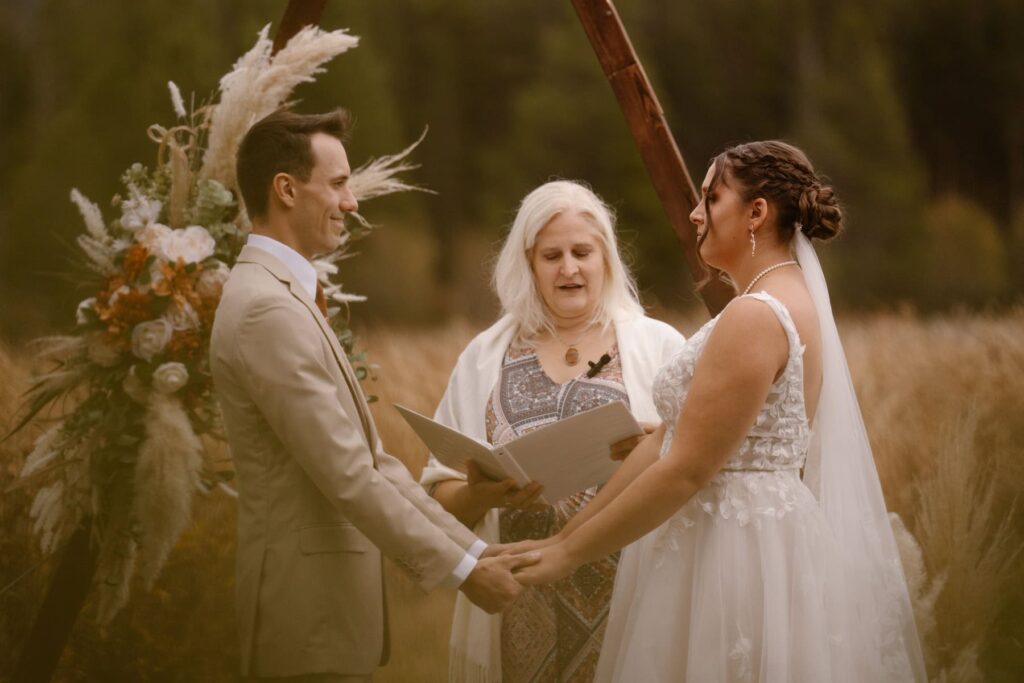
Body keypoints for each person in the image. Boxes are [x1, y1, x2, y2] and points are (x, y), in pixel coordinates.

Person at [509, 142, 927, 681]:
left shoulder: (754, 315)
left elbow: (686, 469)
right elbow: (673, 441)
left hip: (733, 555)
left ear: (757, 212)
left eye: (712, 197)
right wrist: (561, 540)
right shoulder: (782, 298)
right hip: (761, 539)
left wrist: (568, 558)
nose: (695, 212)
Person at [210, 108, 537, 683]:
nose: (351, 201)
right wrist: (464, 570)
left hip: (325, 619)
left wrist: (473, 549)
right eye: (337, 184)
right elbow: (348, 476)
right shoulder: (266, 307)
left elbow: (374, 463)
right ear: (285, 189)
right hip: (306, 618)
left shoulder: (282, 294)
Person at [419, 180, 686, 682]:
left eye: (582, 252)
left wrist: (658, 442)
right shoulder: (484, 358)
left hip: (631, 594)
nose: (569, 268)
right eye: (552, 255)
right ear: (528, 263)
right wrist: (480, 494)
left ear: (605, 256)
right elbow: (437, 495)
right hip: (520, 602)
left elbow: (699, 462)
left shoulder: (661, 346)